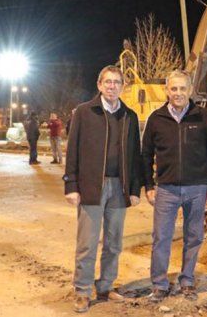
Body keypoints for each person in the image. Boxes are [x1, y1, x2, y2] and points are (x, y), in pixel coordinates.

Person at [63, 65, 143, 313]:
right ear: (99, 85)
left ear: (123, 86)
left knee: (114, 242)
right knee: (87, 243)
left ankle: (106, 286)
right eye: (107, 82)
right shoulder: (84, 113)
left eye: (117, 82)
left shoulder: (129, 116)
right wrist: (71, 185)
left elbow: (135, 156)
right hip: (91, 187)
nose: (112, 86)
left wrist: (134, 189)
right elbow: (72, 150)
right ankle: (83, 291)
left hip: (119, 187)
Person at [142, 70, 207, 303]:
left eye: (182, 88)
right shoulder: (156, 119)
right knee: (161, 238)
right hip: (165, 189)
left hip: (197, 188)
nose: (178, 93)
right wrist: (149, 185)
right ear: (167, 90)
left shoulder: (203, 117)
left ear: (190, 90)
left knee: (194, 236)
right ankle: (159, 285)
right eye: (173, 88)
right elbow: (145, 155)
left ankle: (187, 281)